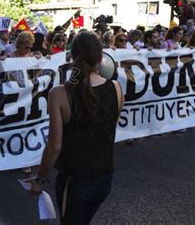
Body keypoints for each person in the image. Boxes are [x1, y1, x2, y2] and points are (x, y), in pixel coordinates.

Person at [28, 32, 124, 224]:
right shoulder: (116, 87)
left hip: (75, 182)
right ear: (100, 57)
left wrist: (40, 180)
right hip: (105, 179)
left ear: (71, 57)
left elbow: (54, 146)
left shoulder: (59, 94)